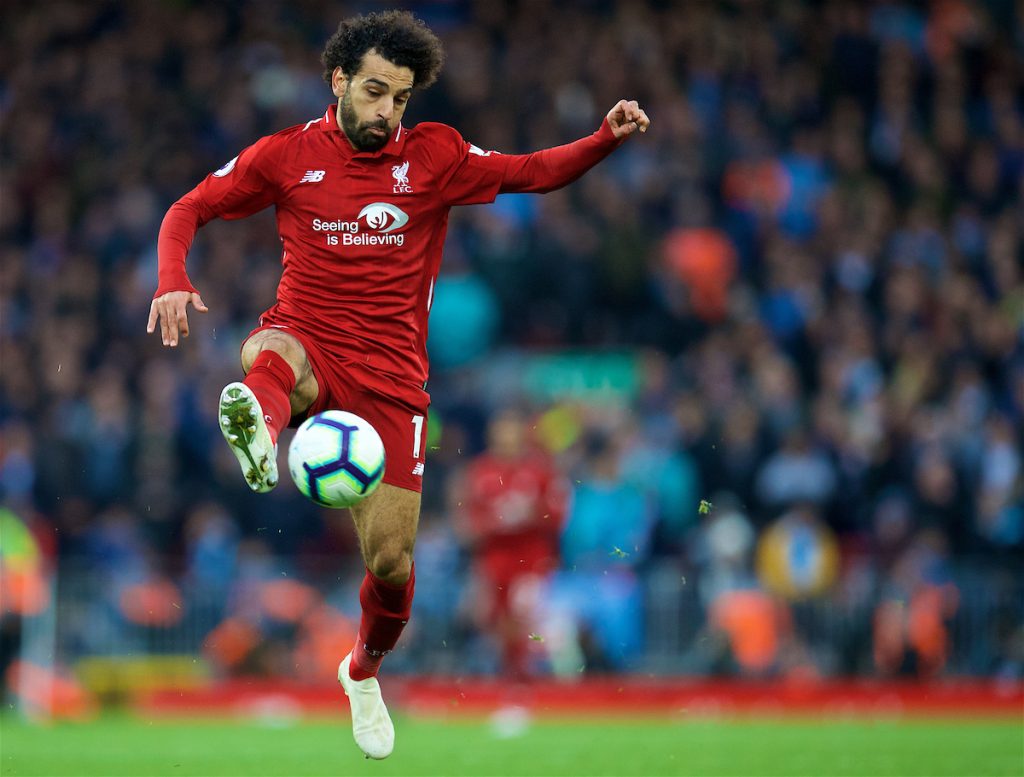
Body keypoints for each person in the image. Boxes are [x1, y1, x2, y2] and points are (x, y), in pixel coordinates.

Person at [147, 10, 650, 760]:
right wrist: (172, 281)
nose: (388, 111)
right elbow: (190, 207)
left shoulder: (435, 157)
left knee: (391, 564)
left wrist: (604, 137)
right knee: (272, 343)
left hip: (391, 383)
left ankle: (361, 670)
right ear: (339, 80)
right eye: (377, 91)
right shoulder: (288, 156)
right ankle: (260, 422)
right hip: (311, 340)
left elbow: (531, 172)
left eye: (402, 98)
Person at [455, 407, 568, 680]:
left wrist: (531, 514)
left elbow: (558, 517)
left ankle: (544, 678)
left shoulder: (540, 471)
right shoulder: (478, 472)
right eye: (501, 430)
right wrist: (494, 523)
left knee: (526, 618)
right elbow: (465, 523)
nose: (507, 436)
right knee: (499, 624)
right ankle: (512, 680)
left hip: (531, 560)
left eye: (511, 429)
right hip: (494, 560)